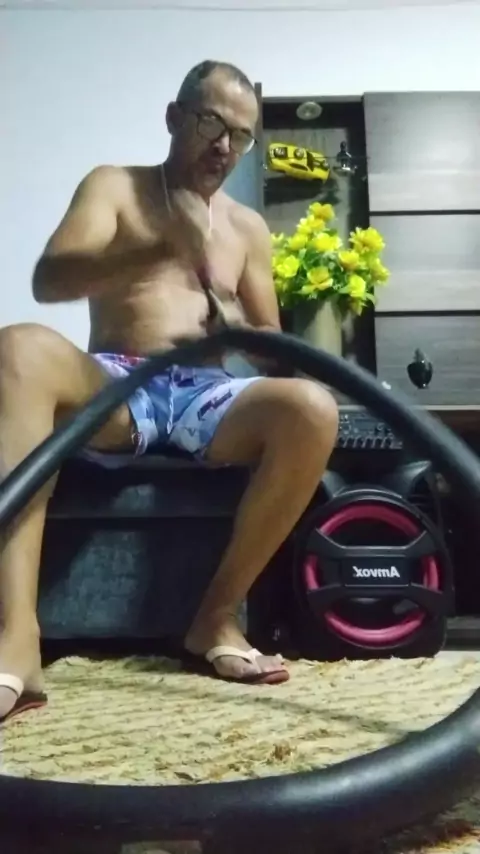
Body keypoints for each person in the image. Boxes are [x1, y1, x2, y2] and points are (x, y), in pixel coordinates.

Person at [0, 60, 338, 722]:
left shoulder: (247, 228)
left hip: (206, 393)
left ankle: (215, 619)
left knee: (312, 409)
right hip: (118, 383)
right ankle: (17, 638)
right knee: (18, 348)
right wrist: (157, 248)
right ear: (174, 117)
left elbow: (275, 352)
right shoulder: (114, 186)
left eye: (241, 135)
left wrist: (234, 326)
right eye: (212, 123)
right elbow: (50, 279)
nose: (224, 146)